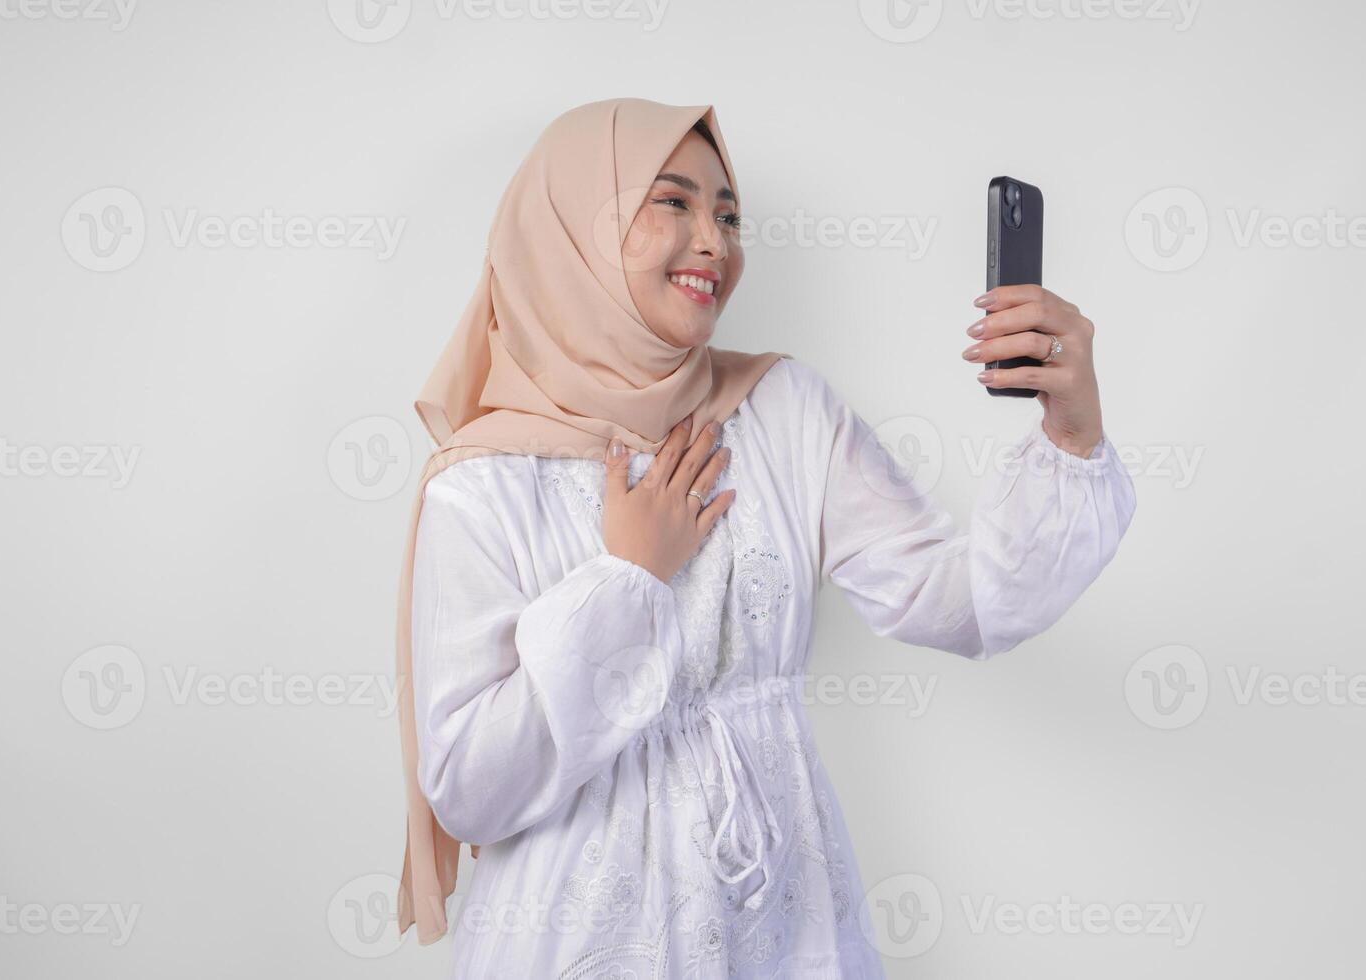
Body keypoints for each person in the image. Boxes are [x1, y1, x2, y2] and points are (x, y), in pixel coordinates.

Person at [391, 97, 1136, 978]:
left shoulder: (783, 413)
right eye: (672, 201)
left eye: (728, 213)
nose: (714, 241)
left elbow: (964, 602)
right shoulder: (481, 484)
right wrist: (628, 579)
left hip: (783, 928)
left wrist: (1072, 433)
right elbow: (472, 788)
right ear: (568, 231)